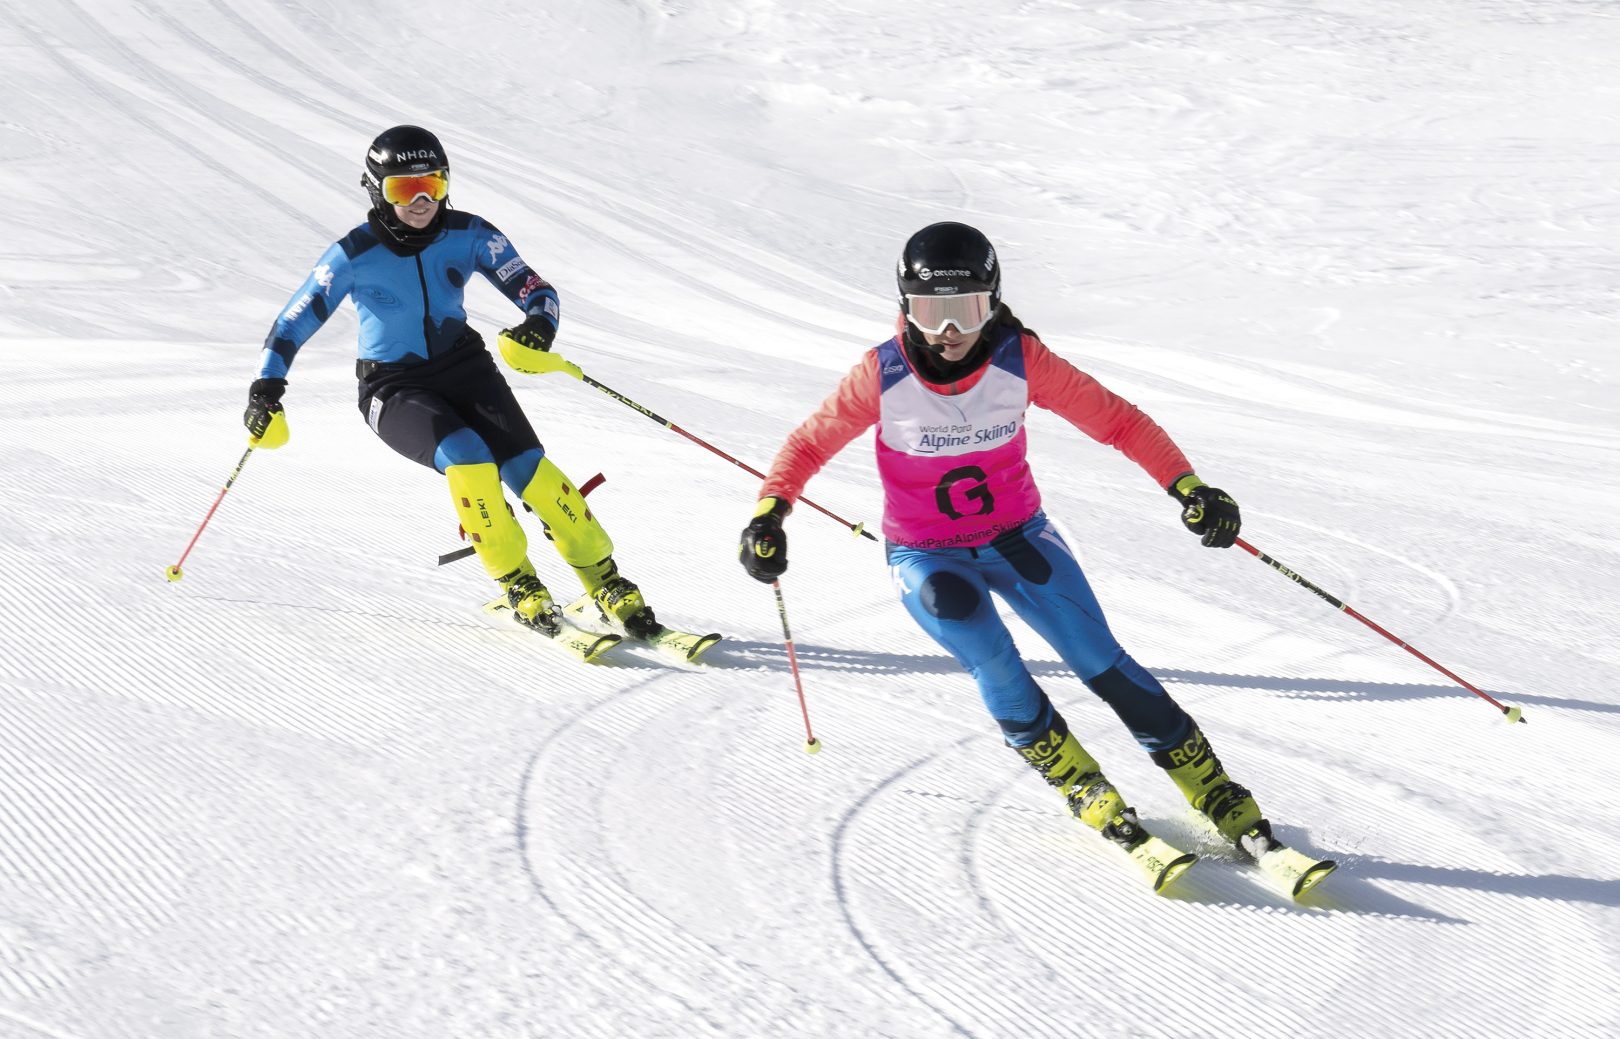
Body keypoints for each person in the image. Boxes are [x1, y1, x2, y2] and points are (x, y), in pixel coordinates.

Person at [739, 221, 1281, 862]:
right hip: (927, 556)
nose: (948, 333)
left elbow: (1119, 422)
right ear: (904, 306)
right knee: (992, 657)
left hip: (1019, 538)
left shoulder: (1021, 361)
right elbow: (808, 443)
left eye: (966, 312)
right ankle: (1079, 782)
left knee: (1098, 657)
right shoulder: (880, 376)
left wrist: (1188, 486)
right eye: (930, 312)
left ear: (991, 303)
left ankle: (1212, 788)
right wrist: (769, 515)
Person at [244, 125, 662, 639]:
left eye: (433, 185)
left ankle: (605, 579)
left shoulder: (472, 235)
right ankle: (517, 579)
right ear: (376, 189)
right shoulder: (351, 255)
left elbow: (536, 288)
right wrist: (266, 388)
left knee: (532, 471)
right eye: (403, 188)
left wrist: (538, 325)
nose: (421, 200)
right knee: (469, 457)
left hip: (465, 367)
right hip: (392, 387)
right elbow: (292, 322)